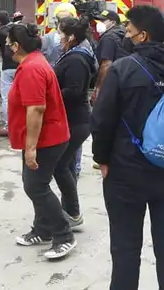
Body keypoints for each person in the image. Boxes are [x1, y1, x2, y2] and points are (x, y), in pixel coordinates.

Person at [91, 5, 164, 290]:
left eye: (128, 31)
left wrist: (102, 159)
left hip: (125, 174)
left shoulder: (123, 70)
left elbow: (102, 121)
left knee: (126, 249)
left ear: (143, 36)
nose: (125, 36)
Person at [5, 23, 77, 260]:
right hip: (47, 136)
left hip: (47, 139)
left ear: (17, 46)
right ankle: (43, 230)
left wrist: (31, 148)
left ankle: (63, 235)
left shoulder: (32, 69)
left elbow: (36, 109)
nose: (6, 47)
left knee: (36, 186)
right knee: (36, 185)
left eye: (8, 43)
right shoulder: (33, 62)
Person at [52, 17, 97, 230]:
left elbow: (74, 90)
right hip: (72, 120)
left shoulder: (77, 59)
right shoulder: (74, 55)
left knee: (59, 166)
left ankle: (74, 212)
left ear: (71, 36)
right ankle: (68, 208)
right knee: (67, 165)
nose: (58, 37)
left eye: (61, 33)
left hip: (76, 121)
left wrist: (47, 94)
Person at [92, 9, 128, 100]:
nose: (99, 23)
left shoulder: (108, 38)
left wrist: (99, 88)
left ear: (113, 22)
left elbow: (106, 64)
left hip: (112, 82)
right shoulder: (122, 34)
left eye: (103, 21)